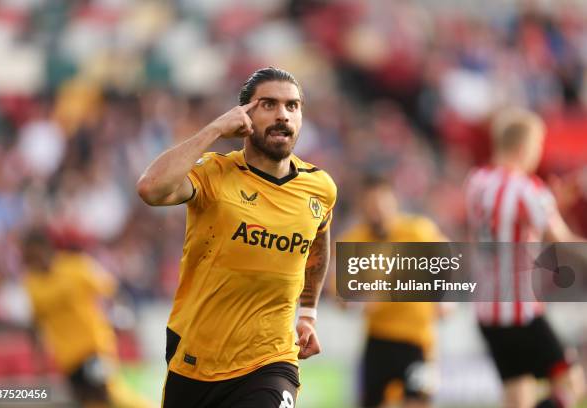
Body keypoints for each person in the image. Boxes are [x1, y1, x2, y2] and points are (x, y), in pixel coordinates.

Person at [137, 67, 337, 408]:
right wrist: (214, 129)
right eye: (269, 105)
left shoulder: (319, 188)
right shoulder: (215, 174)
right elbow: (151, 189)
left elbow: (317, 244)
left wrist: (308, 314)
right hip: (195, 359)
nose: (283, 116)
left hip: (271, 361)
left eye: (292, 106)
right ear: (243, 115)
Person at [464, 107, 586, 408]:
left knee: (517, 392)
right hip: (521, 313)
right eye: (538, 146)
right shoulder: (529, 189)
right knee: (572, 382)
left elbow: (505, 219)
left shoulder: (476, 182)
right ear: (524, 146)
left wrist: (551, 203)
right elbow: (562, 240)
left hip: (486, 312)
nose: (539, 153)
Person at [337, 175, 447, 408]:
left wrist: (444, 299)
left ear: (393, 202)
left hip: (418, 340)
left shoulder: (417, 231)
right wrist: (357, 300)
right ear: (362, 207)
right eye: (370, 205)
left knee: (417, 402)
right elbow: (340, 295)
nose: (376, 211)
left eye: (380, 204)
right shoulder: (354, 241)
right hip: (379, 339)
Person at [22, 229, 153, 408]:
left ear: (45, 249)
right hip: (67, 357)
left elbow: (111, 289)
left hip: (93, 347)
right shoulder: (32, 284)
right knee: (88, 401)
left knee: (107, 392)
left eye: (33, 254)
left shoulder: (75, 267)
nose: (31, 261)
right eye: (27, 257)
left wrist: (122, 317)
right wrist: (38, 356)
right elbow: (37, 321)